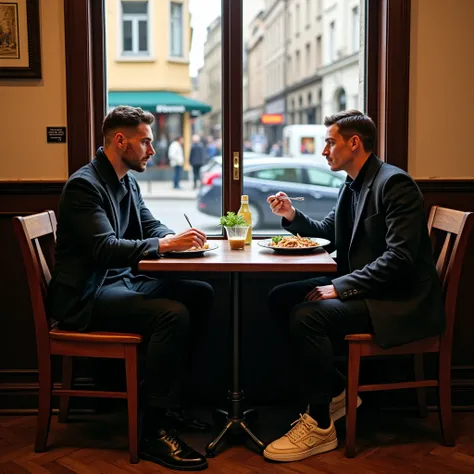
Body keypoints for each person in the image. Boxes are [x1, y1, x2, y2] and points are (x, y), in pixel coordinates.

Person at [263, 110, 445, 463]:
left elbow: (400, 258)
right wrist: (290, 215)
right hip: (371, 289)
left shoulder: (394, 184)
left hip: (399, 299)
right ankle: (336, 391)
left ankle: (319, 427)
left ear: (354, 143)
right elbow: (331, 229)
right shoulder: (353, 182)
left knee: (307, 317)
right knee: (280, 298)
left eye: (330, 142)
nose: (324, 151)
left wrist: (341, 286)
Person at [48, 106, 213, 471]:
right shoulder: (84, 186)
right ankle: (153, 431)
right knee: (171, 315)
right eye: (145, 142)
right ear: (120, 141)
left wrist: (173, 238)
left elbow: (149, 225)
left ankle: (171, 405)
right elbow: (105, 249)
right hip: (86, 295)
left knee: (200, 292)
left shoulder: (126, 180)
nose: (152, 150)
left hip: (118, 281)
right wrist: (166, 247)